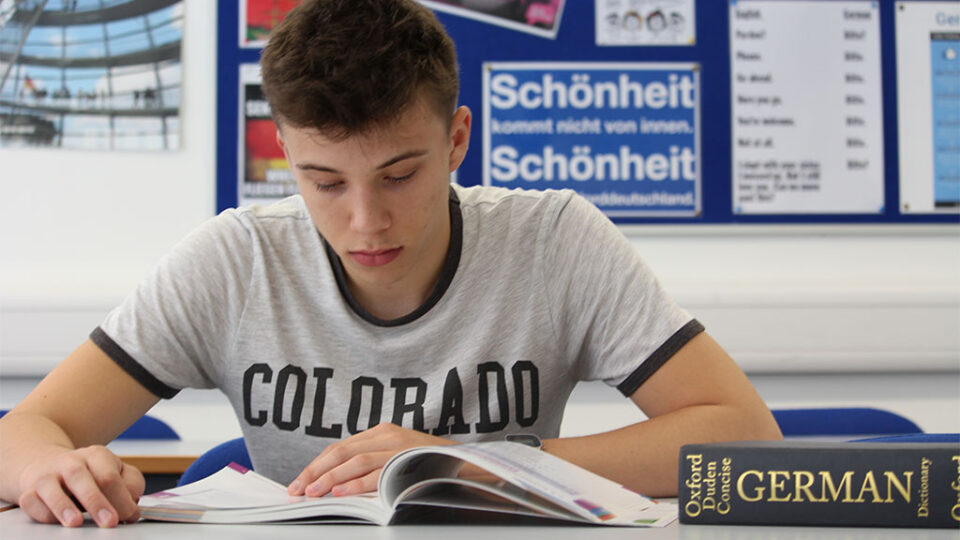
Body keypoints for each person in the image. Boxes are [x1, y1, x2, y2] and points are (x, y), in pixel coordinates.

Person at [0, 0, 781, 529]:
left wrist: (482, 464)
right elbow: (28, 430)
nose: (365, 221)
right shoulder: (236, 260)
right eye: (325, 182)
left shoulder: (555, 242)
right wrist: (46, 471)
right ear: (288, 156)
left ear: (457, 141)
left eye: (400, 175)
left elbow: (745, 434)